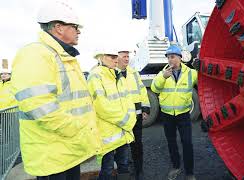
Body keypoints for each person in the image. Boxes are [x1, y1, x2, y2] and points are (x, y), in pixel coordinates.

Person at [10, 1, 101, 179]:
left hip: (67, 152)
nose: (79, 31)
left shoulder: (62, 56)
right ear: (59, 27)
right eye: (75, 27)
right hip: (52, 157)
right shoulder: (36, 54)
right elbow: (41, 108)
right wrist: (78, 129)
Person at [88, 49, 137, 180]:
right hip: (107, 134)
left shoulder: (118, 75)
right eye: (112, 57)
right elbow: (101, 106)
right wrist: (126, 121)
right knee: (107, 170)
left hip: (122, 131)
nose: (116, 59)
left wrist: (130, 120)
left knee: (124, 166)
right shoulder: (95, 76)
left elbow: (128, 100)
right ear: (102, 57)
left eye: (116, 56)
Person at [151, 45, 198, 180]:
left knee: (187, 142)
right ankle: (176, 167)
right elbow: (154, 88)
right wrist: (163, 77)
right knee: (171, 142)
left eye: (172, 57)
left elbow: (203, 82)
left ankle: (189, 173)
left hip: (184, 115)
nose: (170, 60)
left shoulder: (191, 73)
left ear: (180, 58)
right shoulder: (163, 73)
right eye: (168, 57)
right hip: (167, 115)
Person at [117, 48, 150, 180]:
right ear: (117, 57)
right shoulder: (113, 73)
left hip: (136, 117)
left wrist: (145, 108)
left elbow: (142, 91)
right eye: (124, 56)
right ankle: (124, 171)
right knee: (122, 147)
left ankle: (139, 170)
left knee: (137, 145)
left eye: (128, 56)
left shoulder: (133, 73)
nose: (127, 59)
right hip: (122, 119)